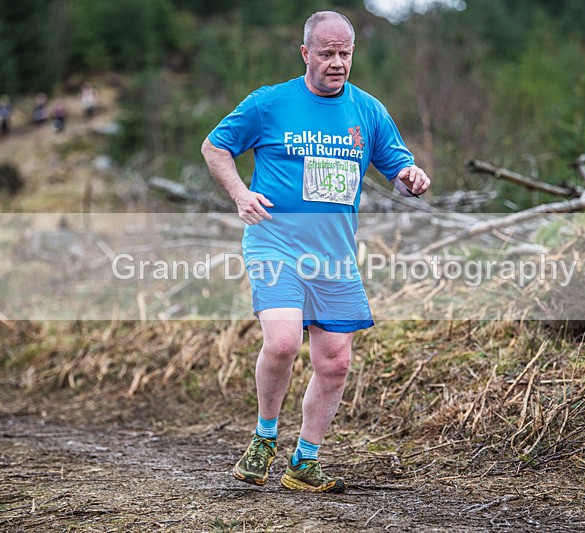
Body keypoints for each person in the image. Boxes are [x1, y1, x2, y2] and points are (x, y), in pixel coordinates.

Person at [201, 11, 430, 493]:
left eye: (345, 53)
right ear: (305, 53)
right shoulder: (269, 103)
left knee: (335, 362)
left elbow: (397, 163)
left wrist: (411, 176)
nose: (337, 62)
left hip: (335, 255)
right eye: (326, 53)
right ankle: (264, 438)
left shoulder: (367, 110)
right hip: (275, 242)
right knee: (283, 341)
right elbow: (215, 146)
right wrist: (241, 194)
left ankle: (304, 462)